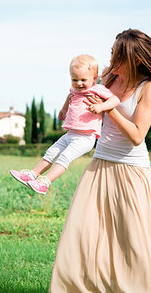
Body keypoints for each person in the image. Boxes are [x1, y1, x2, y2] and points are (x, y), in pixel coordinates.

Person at [49, 29, 151, 293]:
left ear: (131, 56)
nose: (111, 57)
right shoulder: (109, 77)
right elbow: (84, 105)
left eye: (116, 52)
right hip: (99, 163)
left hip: (132, 170)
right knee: (82, 232)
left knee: (137, 237)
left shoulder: (149, 86)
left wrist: (112, 106)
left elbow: (136, 135)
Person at [10, 54, 120, 195]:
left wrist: (102, 107)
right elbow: (70, 97)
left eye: (83, 80)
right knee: (51, 152)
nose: (78, 83)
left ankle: (45, 182)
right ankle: (32, 174)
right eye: (74, 79)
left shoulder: (97, 89)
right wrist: (64, 109)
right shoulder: (74, 90)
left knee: (64, 157)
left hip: (86, 138)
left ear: (94, 78)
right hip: (70, 134)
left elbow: (115, 99)